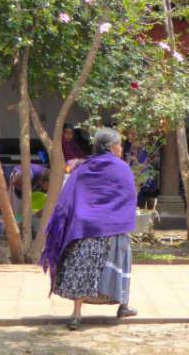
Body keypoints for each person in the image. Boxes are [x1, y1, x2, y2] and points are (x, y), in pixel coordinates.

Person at [41, 128, 138, 331]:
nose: (121, 148)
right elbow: (128, 197)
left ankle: (76, 314)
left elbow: (68, 197)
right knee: (122, 261)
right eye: (119, 145)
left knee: (84, 270)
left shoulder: (84, 168)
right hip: (113, 228)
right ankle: (123, 305)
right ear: (112, 147)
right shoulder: (121, 168)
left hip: (85, 228)